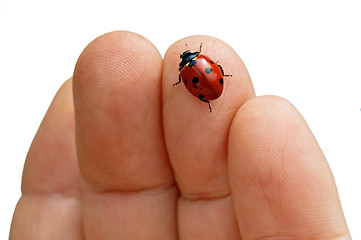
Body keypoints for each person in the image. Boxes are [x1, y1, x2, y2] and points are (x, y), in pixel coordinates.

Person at [9, 31, 351, 239]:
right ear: (197, 63)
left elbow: (204, 83)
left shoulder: (189, 73)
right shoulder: (199, 67)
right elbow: (210, 79)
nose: (193, 63)